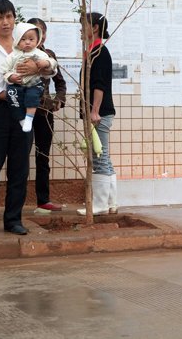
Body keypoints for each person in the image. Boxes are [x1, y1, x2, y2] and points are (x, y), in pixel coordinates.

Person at [0, 0, 53, 237]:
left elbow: (51, 68)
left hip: (23, 114)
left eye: (9, 16)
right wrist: (12, 95)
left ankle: (13, 220)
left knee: (19, 168)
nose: (5, 22)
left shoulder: (29, 44)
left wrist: (39, 68)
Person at [76, 13, 118, 216]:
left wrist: (94, 111)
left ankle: (100, 205)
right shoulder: (92, 51)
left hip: (99, 113)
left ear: (94, 28)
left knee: (99, 157)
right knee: (104, 157)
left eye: (83, 25)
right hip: (98, 112)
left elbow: (99, 85)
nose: (80, 29)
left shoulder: (99, 52)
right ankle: (111, 203)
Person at [26, 18, 67, 214]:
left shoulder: (49, 56)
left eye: (39, 33)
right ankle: (16, 202)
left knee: (43, 156)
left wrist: (59, 99)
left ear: (44, 36)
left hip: (45, 112)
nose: (34, 38)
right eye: (31, 34)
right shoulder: (19, 55)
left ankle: (43, 200)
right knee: (19, 156)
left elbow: (61, 82)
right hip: (24, 111)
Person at [1, 22, 57, 132]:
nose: (27, 42)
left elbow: (53, 63)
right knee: (14, 99)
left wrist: (45, 63)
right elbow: (4, 71)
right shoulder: (13, 55)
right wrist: (11, 77)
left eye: (31, 39)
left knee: (32, 97)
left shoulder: (39, 54)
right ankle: (21, 118)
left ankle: (29, 118)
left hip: (34, 84)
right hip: (17, 85)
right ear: (17, 40)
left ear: (37, 40)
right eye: (23, 39)